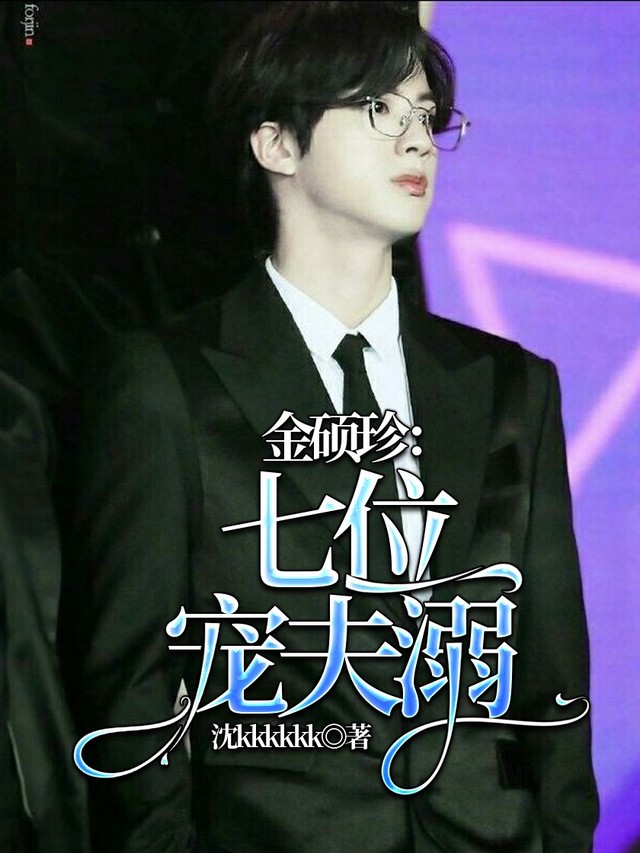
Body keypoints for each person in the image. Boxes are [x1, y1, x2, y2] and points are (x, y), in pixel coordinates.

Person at [68, 2, 599, 851]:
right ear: (277, 143)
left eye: (426, 115)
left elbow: (553, 673)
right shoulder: (166, 384)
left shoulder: (511, 384)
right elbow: (131, 689)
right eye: (379, 109)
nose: (418, 141)